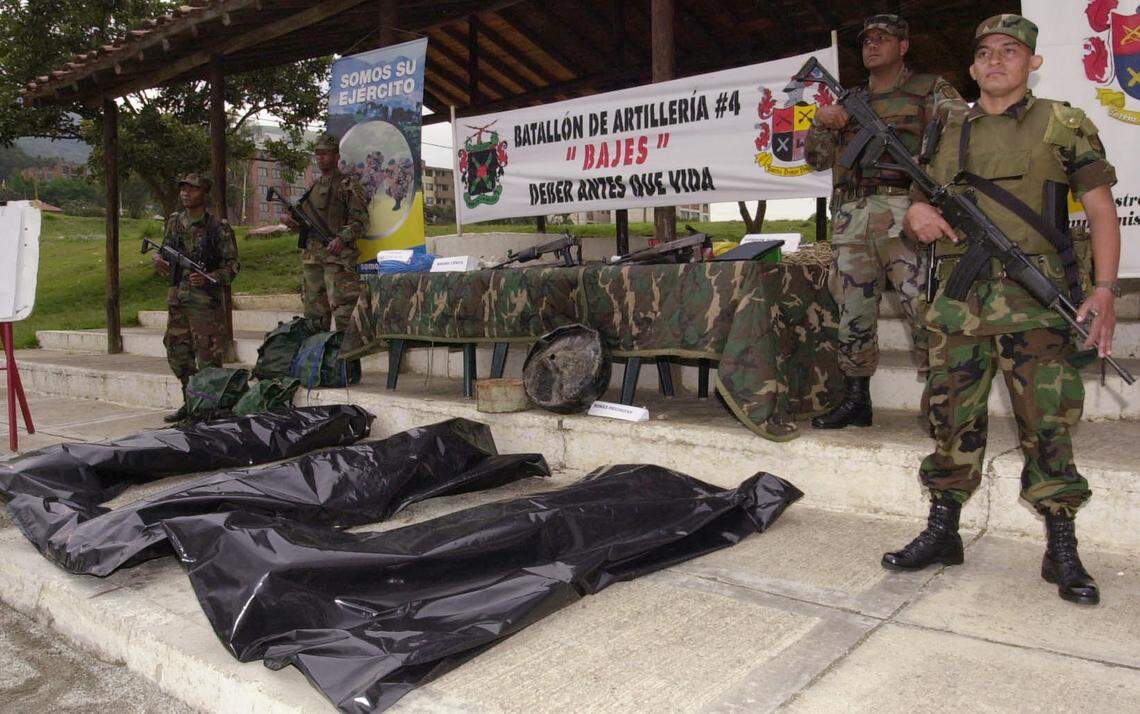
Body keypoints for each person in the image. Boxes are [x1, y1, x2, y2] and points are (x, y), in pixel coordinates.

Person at [885, 14, 1122, 606]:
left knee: (1048, 422)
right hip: (960, 303)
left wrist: (1106, 290)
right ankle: (944, 532)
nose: (996, 60)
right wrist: (915, 218)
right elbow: (919, 204)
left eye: (1011, 51)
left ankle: (1061, 545)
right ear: (972, 67)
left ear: (1032, 62)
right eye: (986, 52)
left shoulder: (1062, 123)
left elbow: (1100, 211)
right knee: (951, 416)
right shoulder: (945, 129)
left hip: (1035, 299)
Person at [805, 14, 964, 429]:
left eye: (883, 39)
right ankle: (857, 398)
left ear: (903, 45)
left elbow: (964, 134)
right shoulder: (850, 100)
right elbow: (816, 160)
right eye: (866, 41)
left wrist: (925, 174)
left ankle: (942, 403)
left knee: (923, 308)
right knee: (852, 312)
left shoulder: (930, 90)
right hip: (853, 215)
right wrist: (821, 125)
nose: (872, 45)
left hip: (904, 212)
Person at [152, 173, 240, 422]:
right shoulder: (174, 222)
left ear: (204, 193)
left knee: (208, 358)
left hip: (205, 305)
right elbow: (165, 250)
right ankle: (191, 402)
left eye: (192, 189)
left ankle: (210, 408)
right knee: (177, 352)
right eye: (183, 189)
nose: (185, 193)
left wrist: (210, 277)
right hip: (178, 299)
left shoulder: (217, 227)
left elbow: (233, 266)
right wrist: (159, 260)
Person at [284, 132, 369, 332]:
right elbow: (304, 222)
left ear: (336, 156)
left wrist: (341, 238)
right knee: (314, 317)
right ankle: (319, 358)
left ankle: (347, 363)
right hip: (312, 259)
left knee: (343, 318)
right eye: (318, 154)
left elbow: (361, 221)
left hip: (337, 260)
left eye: (325, 153)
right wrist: (291, 222)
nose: (320, 158)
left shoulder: (347, 184)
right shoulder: (312, 186)